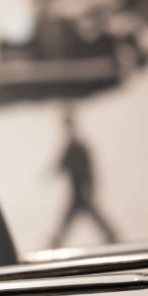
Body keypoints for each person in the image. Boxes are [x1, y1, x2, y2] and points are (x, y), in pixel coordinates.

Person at [51, 102, 118, 247]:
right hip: (76, 194)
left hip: (83, 192)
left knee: (88, 218)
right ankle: (54, 246)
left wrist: (91, 186)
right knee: (69, 222)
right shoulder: (70, 148)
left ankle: (114, 239)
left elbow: (90, 169)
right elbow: (60, 166)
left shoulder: (80, 148)